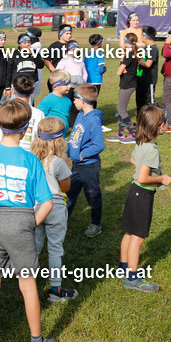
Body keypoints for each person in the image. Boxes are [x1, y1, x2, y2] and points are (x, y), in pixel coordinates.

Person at [0, 99, 57, 342]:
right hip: (22, 222)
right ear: (26, 127)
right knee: (28, 286)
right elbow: (47, 202)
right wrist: (30, 223)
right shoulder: (30, 160)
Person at [119, 105, 171, 292]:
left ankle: (123, 269)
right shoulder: (152, 150)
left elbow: (133, 160)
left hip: (133, 191)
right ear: (160, 126)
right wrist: (161, 179)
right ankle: (132, 279)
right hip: (142, 195)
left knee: (129, 233)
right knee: (138, 238)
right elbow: (143, 178)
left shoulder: (141, 142)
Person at [30, 117, 77, 302]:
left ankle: (27, 283)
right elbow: (66, 187)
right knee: (55, 248)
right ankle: (56, 289)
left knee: (35, 246)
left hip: (35, 206)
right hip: (55, 206)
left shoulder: (31, 159)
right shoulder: (58, 162)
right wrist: (66, 168)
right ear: (59, 140)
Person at [66, 85, 106, 238]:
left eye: (75, 99)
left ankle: (96, 224)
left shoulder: (94, 120)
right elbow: (74, 137)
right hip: (77, 166)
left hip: (89, 167)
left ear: (83, 101)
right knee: (69, 194)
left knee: (93, 196)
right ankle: (62, 220)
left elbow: (99, 145)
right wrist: (69, 153)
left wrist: (81, 155)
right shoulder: (80, 115)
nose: (74, 102)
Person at [0, 76, 44, 152]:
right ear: (33, 90)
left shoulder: (4, 110)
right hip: (30, 154)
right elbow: (41, 140)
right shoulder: (39, 114)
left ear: (12, 90)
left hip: (6, 153)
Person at [108, 34, 140, 144]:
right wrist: (123, 69)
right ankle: (120, 133)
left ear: (126, 42)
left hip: (127, 84)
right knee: (122, 108)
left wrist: (122, 68)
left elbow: (118, 72)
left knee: (121, 109)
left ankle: (132, 134)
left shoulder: (129, 55)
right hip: (129, 83)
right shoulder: (133, 53)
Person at [8, 33, 43, 104]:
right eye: (24, 43)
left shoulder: (34, 53)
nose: (27, 44)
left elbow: (40, 65)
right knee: (16, 105)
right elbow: (9, 71)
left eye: (29, 42)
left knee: (29, 105)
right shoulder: (14, 54)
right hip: (17, 84)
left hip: (30, 84)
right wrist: (7, 87)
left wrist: (33, 54)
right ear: (19, 44)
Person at [135, 26, 159, 110]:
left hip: (149, 80)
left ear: (145, 36)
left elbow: (148, 64)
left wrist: (137, 58)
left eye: (141, 35)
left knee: (149, 103)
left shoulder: (153, 49)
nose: (140, 37)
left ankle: (151, 118)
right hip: (140, 79)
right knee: (139, 102)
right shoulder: (146, 48)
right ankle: (140, 118)